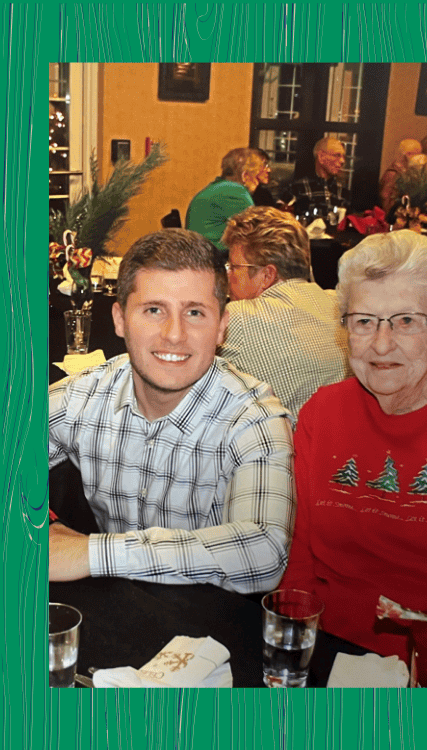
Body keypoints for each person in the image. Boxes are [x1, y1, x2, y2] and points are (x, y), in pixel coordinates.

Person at [280, 230, 427, 684]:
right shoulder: (322, 412)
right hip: (330, 656)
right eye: (364, 321)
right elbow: (298, 560)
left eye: (405, 321)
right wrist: (300, 659)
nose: (381, 345)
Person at [48, 229, 294, 594]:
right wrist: (47, 525)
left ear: (222, 327)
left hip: (215, 628)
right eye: (153, 310)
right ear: (119, 320)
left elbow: (263, 551)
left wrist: (90, 553)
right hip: (119, 623)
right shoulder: (84, 397)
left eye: (194, 312)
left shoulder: (254, 420)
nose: (174, 334)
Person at [218, 207, 350, 421]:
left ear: (267, 275)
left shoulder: (237, 318)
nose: (227, 275)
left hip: (276, 450)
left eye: (233, 267)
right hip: (336, 446)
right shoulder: (341, 303)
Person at [186, 147, 270, 257]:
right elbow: (257, 233)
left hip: (201, 253)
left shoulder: (221, 187)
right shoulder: (235, 191)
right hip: (212, 259)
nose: (268, 170)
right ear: (245, 175)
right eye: (262, 167)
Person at [282, 136, 349, 221]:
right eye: (337, 155)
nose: (342, 161)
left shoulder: (343, 191)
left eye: (343, 157)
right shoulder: (297, 188)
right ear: (321, 157)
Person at [379, 138, 424, 212]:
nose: (420, 158)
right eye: (418, 154)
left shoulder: (404, 172)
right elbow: (384, 197)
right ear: (408, 155)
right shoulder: (393, 174)